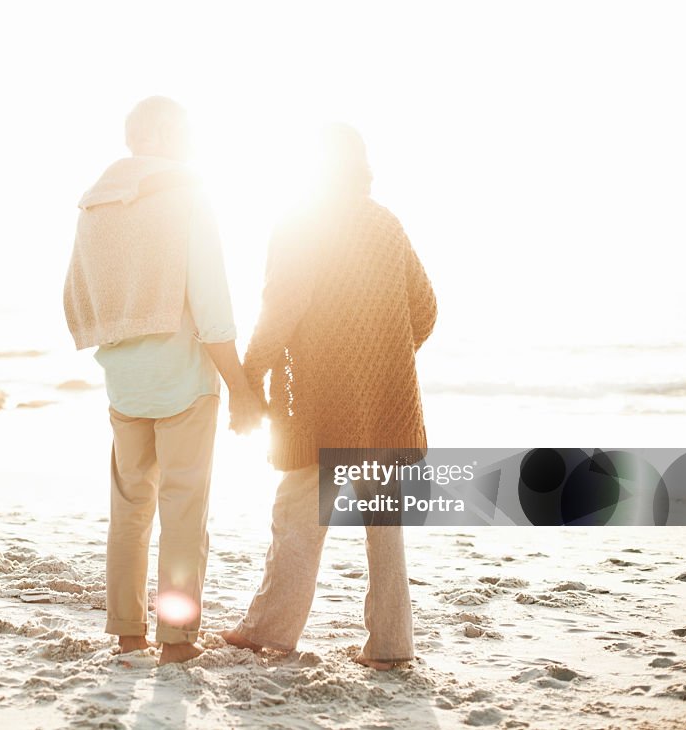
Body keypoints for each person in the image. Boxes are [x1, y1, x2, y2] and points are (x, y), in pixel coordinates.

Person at [221, 123, 437, 669]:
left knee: (298, 513)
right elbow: (427, 309)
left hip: (317, 402)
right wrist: (382, 353)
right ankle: (391, 647)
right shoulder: (386, 223)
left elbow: (282, 308)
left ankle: (269, 631)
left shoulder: (302, 221)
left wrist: (248, 377)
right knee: (385, 526)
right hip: (389, 404)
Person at [63, 96, 263, 666]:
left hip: (124, 379)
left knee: (129, 508)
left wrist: (111, 340)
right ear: (173, 136)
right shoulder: (186, 192)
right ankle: (176, 642)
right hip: (183, 378)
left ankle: (129, 633)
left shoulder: (94, 205)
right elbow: (211, 301)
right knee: (182, 511)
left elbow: (78, 290)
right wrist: (242, 389)